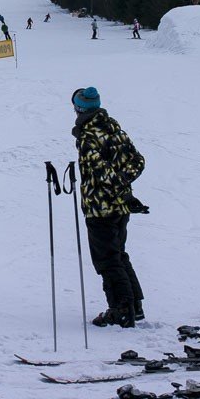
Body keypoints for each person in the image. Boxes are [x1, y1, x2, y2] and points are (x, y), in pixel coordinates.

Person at [71, 86, 147, 328]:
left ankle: (121, 309)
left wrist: (117, 188)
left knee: (107, 259)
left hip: (101, 208)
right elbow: (137, 162)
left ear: (80, 109)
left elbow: (102, 173)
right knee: (119, 254)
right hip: (120, 207)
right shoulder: (113, 127)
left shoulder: (89, 136)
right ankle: (135, 305)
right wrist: (125, 189)